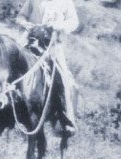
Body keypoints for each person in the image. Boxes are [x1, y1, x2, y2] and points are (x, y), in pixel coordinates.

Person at [16, 0, 79, 134]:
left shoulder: (66, 2)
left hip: (53, 45)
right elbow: (21, 16)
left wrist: (59, 25)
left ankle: (67, 117)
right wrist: (24, 23)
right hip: (30, 42)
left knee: (63, 77)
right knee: (11, 63)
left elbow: (74, 22)